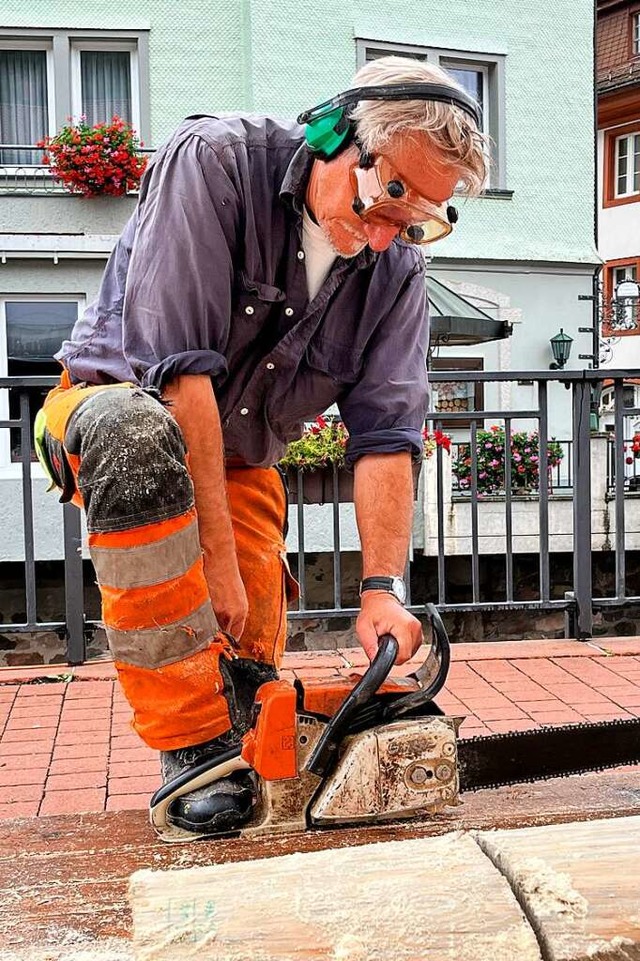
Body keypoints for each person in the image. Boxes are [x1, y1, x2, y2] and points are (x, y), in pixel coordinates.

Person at [36, 56, 488, 837]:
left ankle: (242, 741)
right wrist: (212, 560)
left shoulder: (395, 267)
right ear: (334, 136)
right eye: (385, 199)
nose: (386, 236)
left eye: (417, 218)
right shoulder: (215, 164)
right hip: (113, 407)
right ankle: (191, 754)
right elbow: (180, 377)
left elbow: (386, 434)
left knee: (245, 653)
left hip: (239, 452)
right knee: (137, 438)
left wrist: (382, 587)